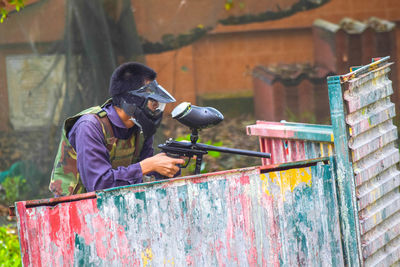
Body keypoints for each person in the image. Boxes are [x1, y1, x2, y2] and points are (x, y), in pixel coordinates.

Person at [49, 62, 185, 196]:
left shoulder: (140, 127)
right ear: (132, 100)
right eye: (152, 102)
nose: (155, 108)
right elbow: (97, 186)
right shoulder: (90, 126)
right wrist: (146, 166)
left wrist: (171, 162)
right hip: (75, 210)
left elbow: (147, 178)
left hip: (118, 206)